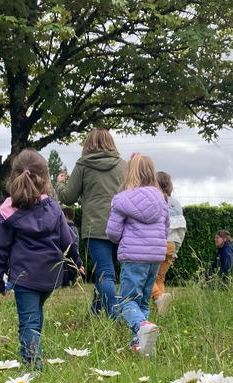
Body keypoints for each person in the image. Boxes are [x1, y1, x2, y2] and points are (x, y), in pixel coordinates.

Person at [0, 149, 83, 367]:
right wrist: (77, 262)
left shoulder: (7, 212)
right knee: (35, 316)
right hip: (50, 276)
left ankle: (33, 364)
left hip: (24, 277)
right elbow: (68, 239)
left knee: (29, 321)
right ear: (46, 179)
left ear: (13, 177)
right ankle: (34, 351)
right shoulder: (53, 207)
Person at [55, 128, 127, 317]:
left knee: (105, 273)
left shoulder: (83, 165)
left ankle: (116, 318)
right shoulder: (123, 165)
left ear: (88, 144)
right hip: (121, 227)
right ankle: (94, 313)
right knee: (105, 273)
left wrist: (60, 182)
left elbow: (68, 197)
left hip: (96, 227)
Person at [106, 154, 168, 356]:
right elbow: (166, 228)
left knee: (127, 301)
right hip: (155, 257)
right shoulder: (161, 199)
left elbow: (113, 233)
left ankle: (142, 325)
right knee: (142, 301)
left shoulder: (122, 200)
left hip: (133, 256)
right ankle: (140, 345)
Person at [151, 172, 186, 315]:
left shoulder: (155, 200)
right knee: (160, 278)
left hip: (158, 243)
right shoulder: (176, 204)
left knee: (147, 277)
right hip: (172, 245)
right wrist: (176, 248)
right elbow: (182, 228)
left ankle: (158, 297)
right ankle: (161, 310)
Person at [61, 207, 80, 286]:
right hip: (75, 256)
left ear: (65, 216)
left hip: (66, 256)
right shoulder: (75, 228)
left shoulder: (65, 228)